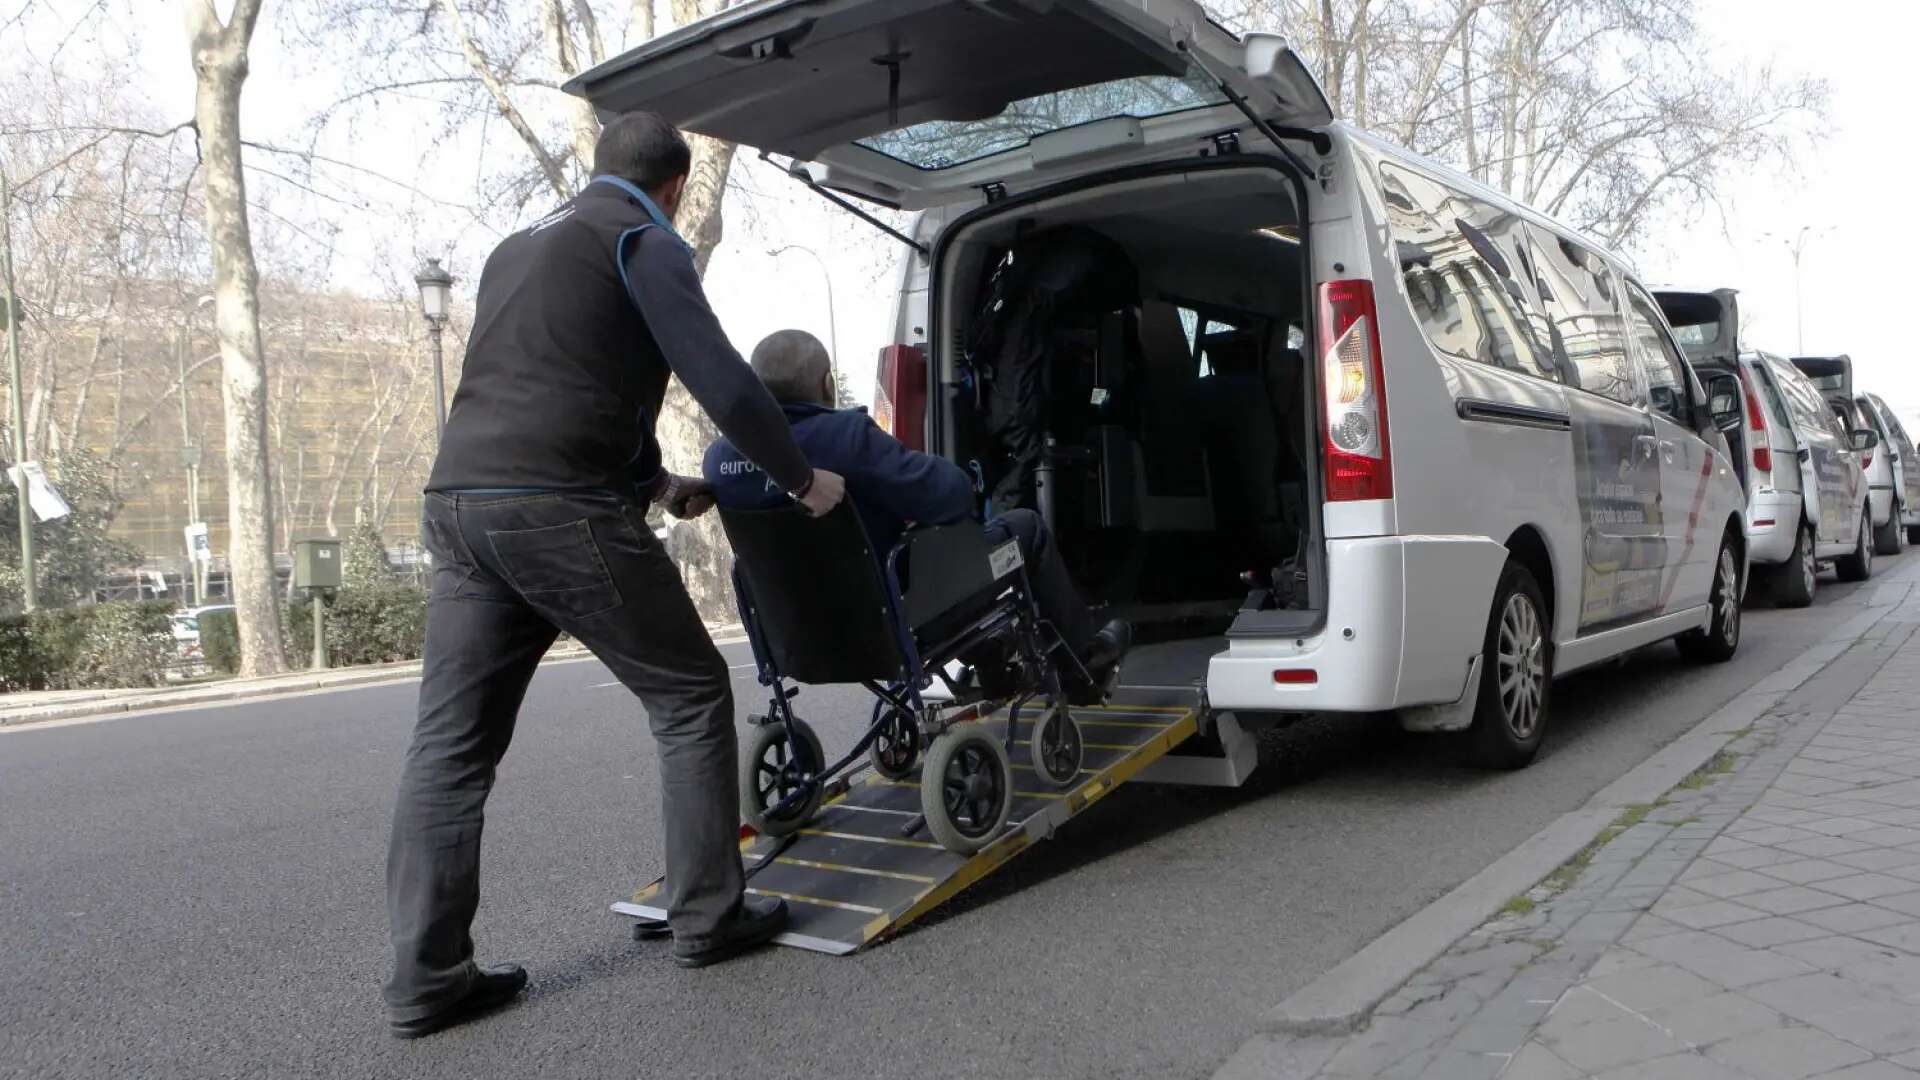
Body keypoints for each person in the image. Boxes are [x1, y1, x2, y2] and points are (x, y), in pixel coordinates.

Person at [385, 113, 847, 1039]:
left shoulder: (518, 249)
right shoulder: (645, 239)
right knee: (688, 691)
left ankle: (426, 979)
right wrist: (802, 480)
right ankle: (711, 915)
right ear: (676, 188)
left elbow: (568, 378)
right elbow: (718, 375)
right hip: (555, 506)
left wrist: (656, 482)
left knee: (450, 749)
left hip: (461, 506)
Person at [704, 330, 1130, 697]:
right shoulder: (847, 437)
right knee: (1025, 531)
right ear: (828, 384)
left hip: (795, 637)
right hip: (893, 620)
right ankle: (1085, 668)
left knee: (945, 565)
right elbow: (949, 496)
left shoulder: (720, 459)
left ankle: (995, 667)